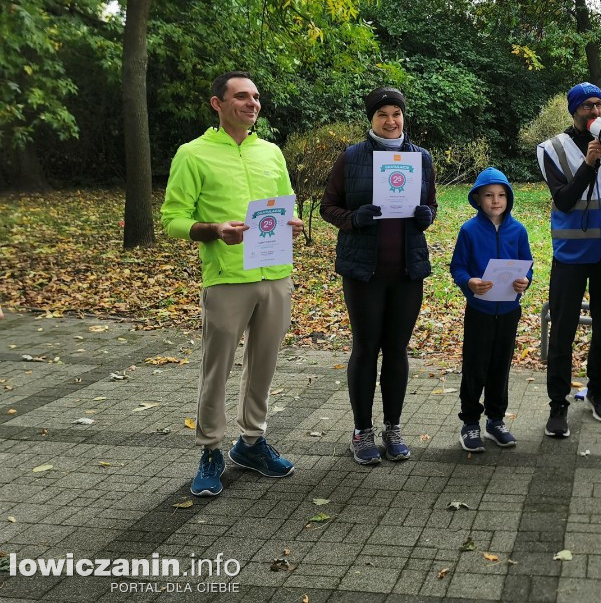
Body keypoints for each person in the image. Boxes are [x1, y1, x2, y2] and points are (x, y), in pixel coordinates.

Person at [161, 70, 303, 498]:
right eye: (241, 96)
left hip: (275, 275)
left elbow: (282, 206)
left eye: (256, 97)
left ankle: (252, 443)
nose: (252, 103)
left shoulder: (271, 153)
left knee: (263, 365)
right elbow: (172, 219)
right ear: (217, 104)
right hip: (226, 279)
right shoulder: (193, 153)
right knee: (217, 369)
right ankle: (210, 450)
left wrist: (291, 224)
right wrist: (213, 229)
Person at [320, 87, 437, 465]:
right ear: (371, 119)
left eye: (396, 114)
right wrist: (353, 220)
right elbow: (328, 206)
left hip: (406, 272)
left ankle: (393, 428)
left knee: (398, 350)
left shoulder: (421, 158)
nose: (391, 121)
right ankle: (362, 431)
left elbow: (430, 203)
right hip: (364, 272)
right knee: (366, 348)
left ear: (405, 117)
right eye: (383, 114)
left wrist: (426, 217)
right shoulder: (352, 157)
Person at [537, 82, 601, 437]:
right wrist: (588, 163)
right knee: (563, 330)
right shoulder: (551, 149)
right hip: (571, 254)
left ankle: (597, 391)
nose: (595, 112)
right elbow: (564, 201)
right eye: (587, 107)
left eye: (599, 105)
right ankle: (558, 406)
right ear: (573, 111)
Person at [449, 167, 533, 452]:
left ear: (508, 198)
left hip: (509, 310)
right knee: (475, 366)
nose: (496, 201)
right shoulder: (469, 230)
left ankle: (495, 420)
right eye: (489, 195)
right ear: (478, 199)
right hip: (479, 310)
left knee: (500, 366)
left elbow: (527, 265)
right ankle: (470, 423)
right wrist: (469, 282)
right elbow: (457, 267)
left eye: (501, 195)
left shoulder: (518, 230)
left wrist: (525, 282)